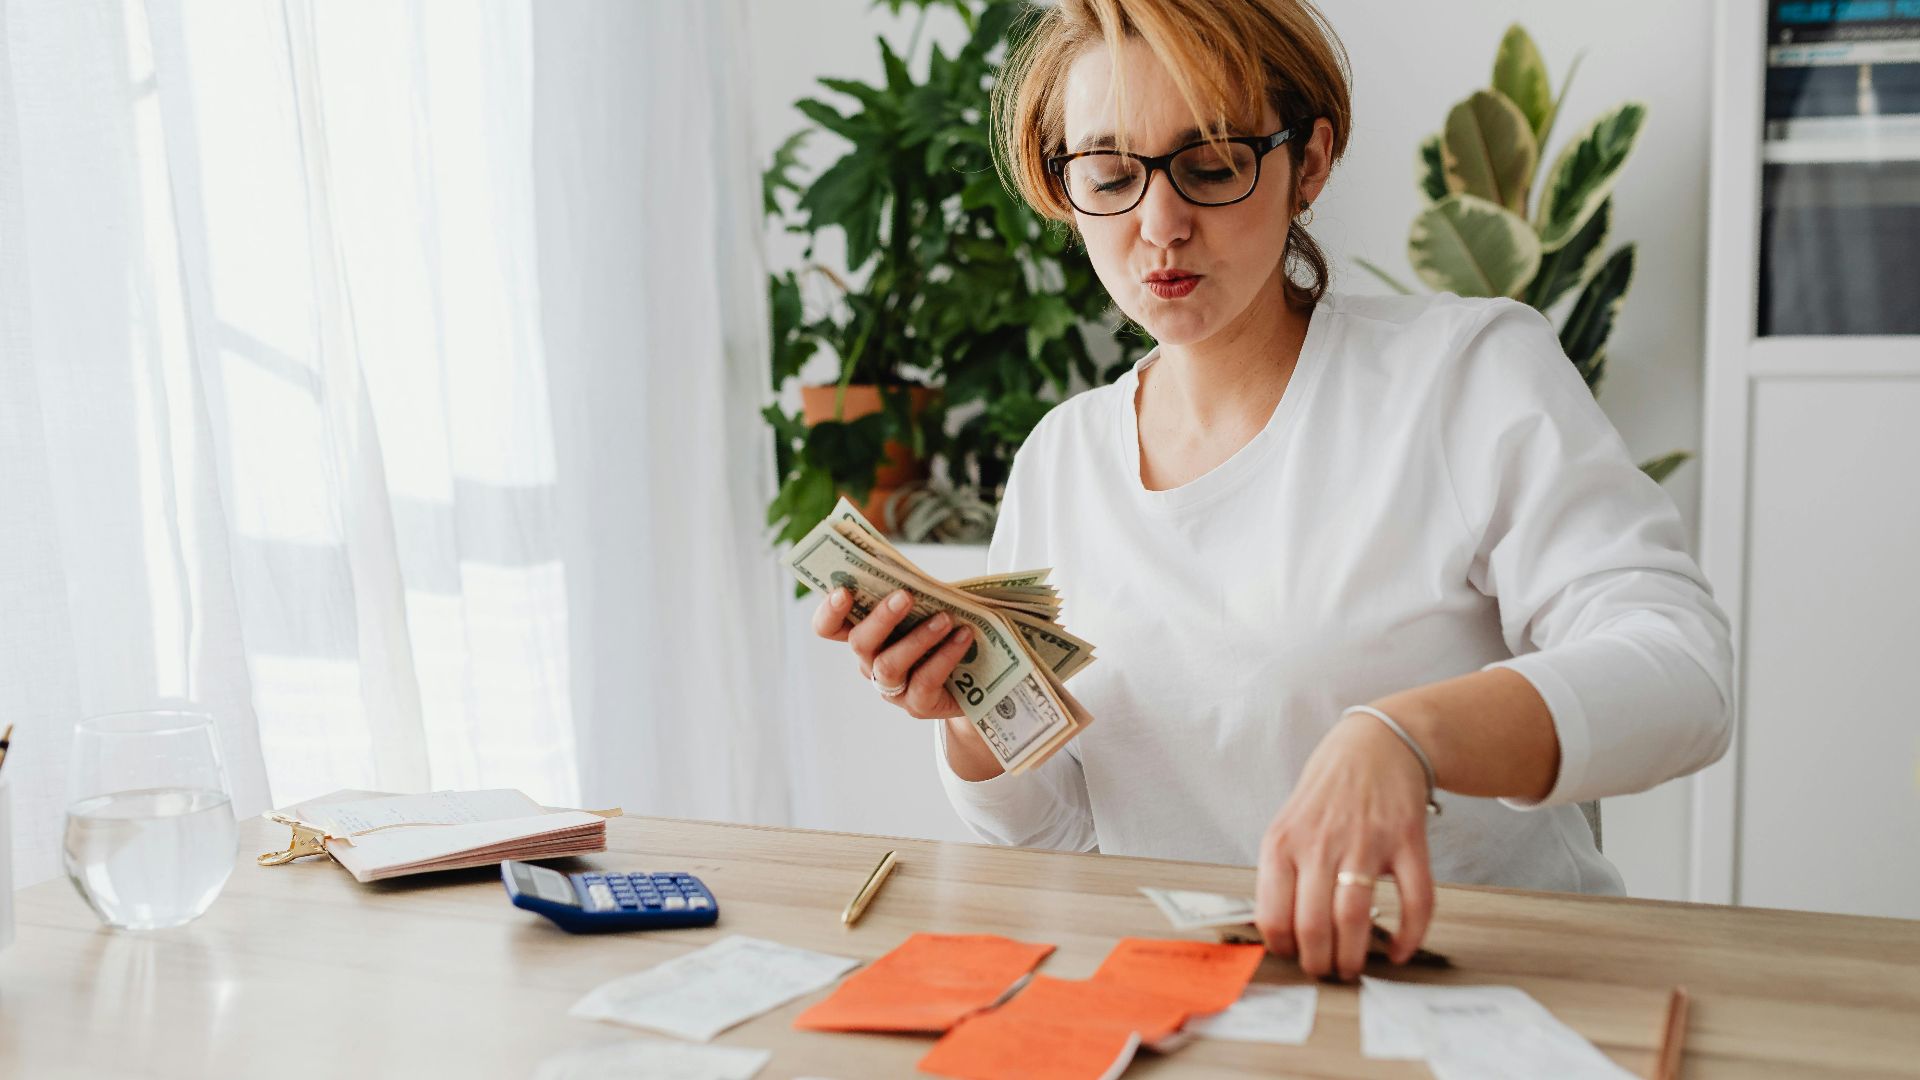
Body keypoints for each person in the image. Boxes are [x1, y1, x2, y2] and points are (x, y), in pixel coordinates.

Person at [809, 0, 1734, 983]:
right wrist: (968, 713)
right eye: (1111, 175)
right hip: (1207, 1008)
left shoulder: (1462, 375)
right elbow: (1068, 842)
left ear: (1311, 162)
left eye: (1211, 165)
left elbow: (1684, 675)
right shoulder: (1060, 461)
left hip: (1482, 996)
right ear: (1062, 187)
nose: (1160, 225)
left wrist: (1404, 736)